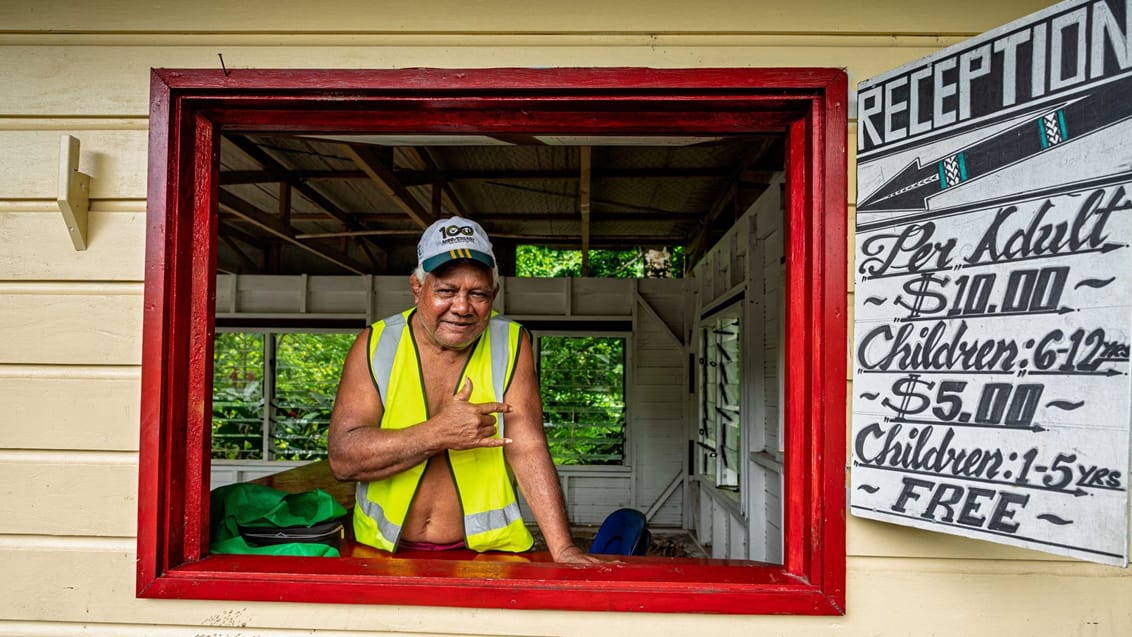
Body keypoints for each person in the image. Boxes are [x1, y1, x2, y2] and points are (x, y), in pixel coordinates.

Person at [328, 216, 603, 564]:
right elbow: (343, 459)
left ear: (495, 294)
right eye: (446, 291)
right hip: (380, 552)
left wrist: (563, 549)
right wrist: (438, 433)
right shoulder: (375, 343)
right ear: (417, 287)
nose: (461, 308)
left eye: (478, 294)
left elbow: (528, 446)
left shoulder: (512, 342)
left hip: (488, 558)